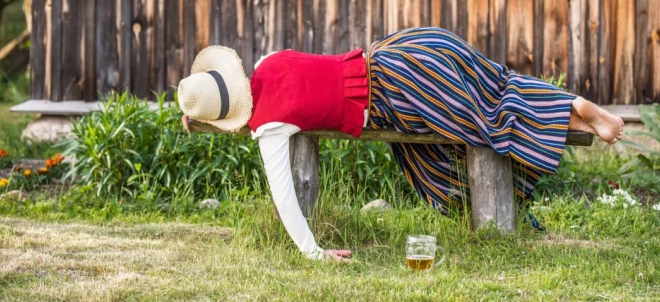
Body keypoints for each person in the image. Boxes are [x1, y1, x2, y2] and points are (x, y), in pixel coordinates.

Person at [177, 27, 624, 263]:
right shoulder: (269, 61)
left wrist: (314, 253)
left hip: (405, 94)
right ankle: (572, 105)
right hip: (405, 50)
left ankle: (572, 114)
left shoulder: (270, 128)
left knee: (486, 126)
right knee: (496, 88)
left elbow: (285, 197)